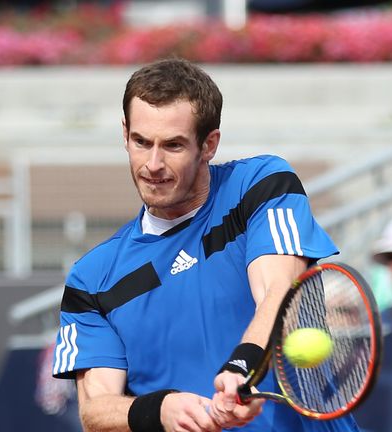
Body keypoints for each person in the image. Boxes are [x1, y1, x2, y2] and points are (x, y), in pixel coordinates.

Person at [51, 58, 358, 432]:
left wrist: (242, 366)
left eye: (174, 145)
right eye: (141, 142)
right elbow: (95, 411)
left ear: (209, 144)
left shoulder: (260, 184)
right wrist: (159, 410)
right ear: (125, 134)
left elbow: (279, 291)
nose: (153, 164)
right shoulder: (92, 278)